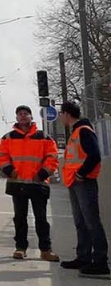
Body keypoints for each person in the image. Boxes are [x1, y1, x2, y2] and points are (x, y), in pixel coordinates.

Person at [0, 105, 61, 261]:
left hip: (38, 184)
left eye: (26, 114)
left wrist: (43, 173)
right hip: (17, 183)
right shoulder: (8, 138)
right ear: (17, 118)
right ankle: (20, 248)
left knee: (41, 219)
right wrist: (10, 171)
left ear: (32, 117)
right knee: (20, 218)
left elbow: (52, 157)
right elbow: (2, 157)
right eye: (20, 114)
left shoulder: (44, 137)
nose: (23, 116)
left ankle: (45, 250)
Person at [57, 101, 108, 276]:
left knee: (92, 222)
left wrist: (81, 174)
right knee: (81, 222)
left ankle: (100, 261)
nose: (59, 117)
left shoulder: (83, 131)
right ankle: (84, 256)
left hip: (83, 182)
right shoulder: (77, 132)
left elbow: (94, 155)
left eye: (60, 113)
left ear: (66, 114)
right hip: (75, 183)